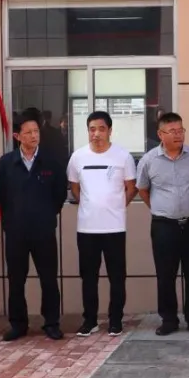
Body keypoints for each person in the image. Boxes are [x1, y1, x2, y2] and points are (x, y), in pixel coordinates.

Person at [0, 109, 68, 341]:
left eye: (36, 131)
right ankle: (18, 324)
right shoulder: (6, 163)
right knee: (16, 280)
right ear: (17, 136)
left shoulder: (51, 162)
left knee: (49, 279)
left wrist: (46, 215)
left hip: (44, 231)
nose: (34, 136)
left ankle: (51, 323)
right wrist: (14, 219)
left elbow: (59, 194)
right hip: (16, 232)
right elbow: (2, 196)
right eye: (28, 132)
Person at [67, 111, 137, 337]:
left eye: (101, 129)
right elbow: (75, 188)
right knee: (89, 277)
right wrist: (90, 205)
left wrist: (116, 206)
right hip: (87, 227)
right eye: (92, 129)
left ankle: (115, 320)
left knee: (117, 276)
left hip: (115, 227)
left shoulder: (123, 156)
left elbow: (131, 187)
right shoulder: (78, 157)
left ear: (110, 131)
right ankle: (90, 320)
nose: (96, 134)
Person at [138, 112, 189, 336]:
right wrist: (161, 208)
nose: (178, 135)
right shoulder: (149, 160)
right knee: (165, 274)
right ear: (160, 134)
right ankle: (169, 319)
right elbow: (143, 189)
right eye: (173, 131)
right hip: (164, 226)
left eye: (181, 130)